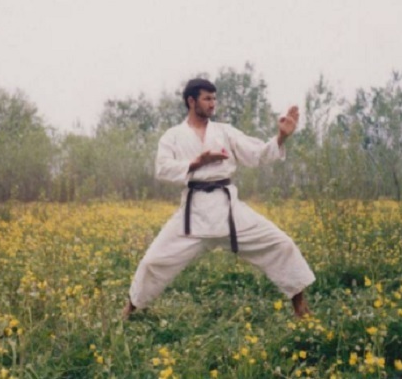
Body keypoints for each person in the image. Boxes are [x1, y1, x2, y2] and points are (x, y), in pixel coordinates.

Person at [122, 78, 315, 319]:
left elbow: (256, 154)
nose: (213, 103)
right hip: (193, 213)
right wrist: (197, 162)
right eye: (207, 98)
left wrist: (280, 137)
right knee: (153, 262)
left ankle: (300, 307)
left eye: (214, 98)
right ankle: (130, 310)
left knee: (281, 244)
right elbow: (162, 169)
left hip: (229, 211)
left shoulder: (224, 132)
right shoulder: (173, 136)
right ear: (191, 101)